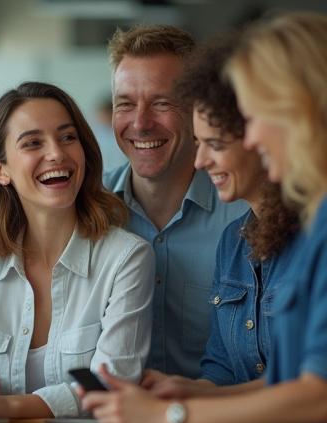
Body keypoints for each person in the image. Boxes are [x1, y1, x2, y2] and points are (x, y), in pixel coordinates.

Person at [81, 12, 327, 423]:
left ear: (303, 111)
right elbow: (285, 379)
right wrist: (195, 393)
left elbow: (324, 395)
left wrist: (172, 414)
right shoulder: (250, 233)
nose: (251, 138)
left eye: (254, 118)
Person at [0, 82, 155, 418]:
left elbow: (112, 384)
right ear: (0, 170)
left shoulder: (126, 258)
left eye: (67, 137)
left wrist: (6, 405)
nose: (57, 153)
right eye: (33, 143)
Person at [140, 34, 301, 398]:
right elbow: (222, 366)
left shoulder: (323, 231)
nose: (200, 162)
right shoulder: (233, 239)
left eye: (215, 144)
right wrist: (185, 390)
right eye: (198, 144)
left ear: (261, 138)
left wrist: (186, 409)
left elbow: (304, 389)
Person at [103, 25, 247, 378]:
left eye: (161, 103)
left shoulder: (248, 215)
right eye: (125, 104)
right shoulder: (86, 209)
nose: (140, 123)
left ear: (199, 109)